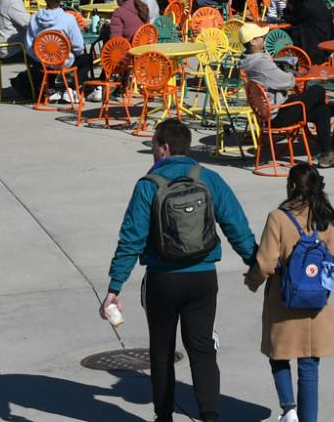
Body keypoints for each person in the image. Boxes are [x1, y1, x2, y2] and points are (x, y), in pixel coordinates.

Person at [103, 118, 259, 422]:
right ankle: (210, 416)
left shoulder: (148, 185)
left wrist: (114, 287)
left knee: (161, 353)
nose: (152, 152)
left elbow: (131, 239)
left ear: (163, 148)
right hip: (202, 278)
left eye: (152, 146)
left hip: (162, 281)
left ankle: (164, 417)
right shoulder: (210, 178)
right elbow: (236, 226)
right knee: (202, 349)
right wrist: (255, 264)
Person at [245, 162, 334, 422]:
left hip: (284, 300)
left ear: (290, 186)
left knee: (279, 355)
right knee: (309, 367)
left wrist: (252, 281)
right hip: (316, 307)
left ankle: (289, 409)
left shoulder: (278, 217)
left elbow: (266, 262)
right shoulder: (324, 217)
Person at [23, 0, 86, 101]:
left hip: (43, 60)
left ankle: (51, 88)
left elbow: (29, 45)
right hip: (64, 60)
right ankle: (72, 89)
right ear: (61, 0)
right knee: (86, 58)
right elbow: (79, 46)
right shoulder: (68, 18)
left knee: (48, 54)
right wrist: (76, 53)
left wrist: (39, 56)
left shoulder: (34, 18)